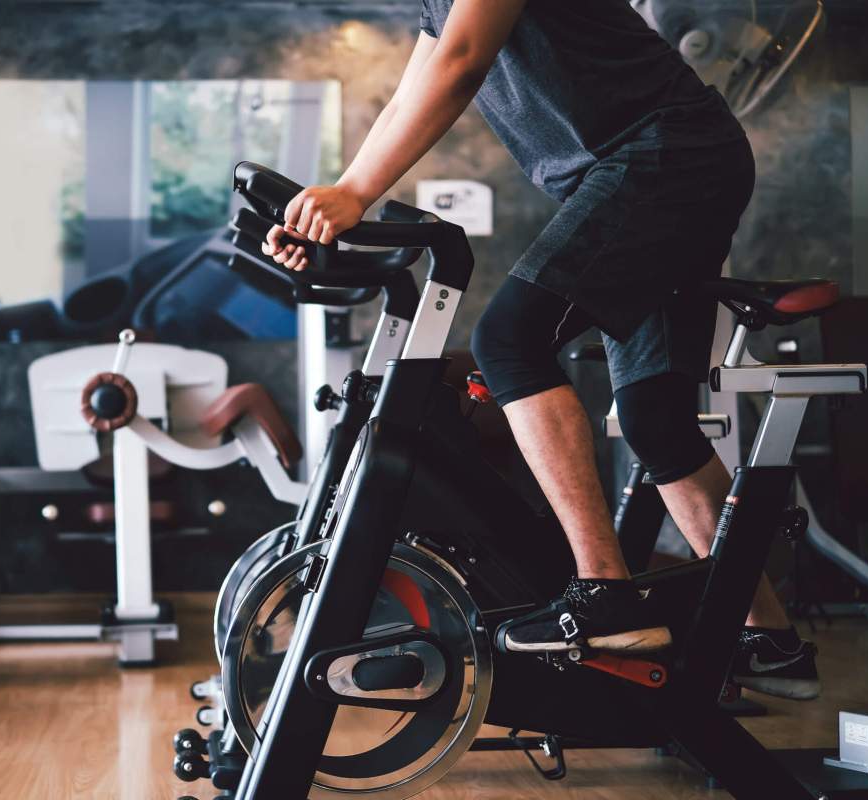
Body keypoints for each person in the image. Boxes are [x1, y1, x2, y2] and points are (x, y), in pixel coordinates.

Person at [261, 0, 819, 700]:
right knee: (655, 418)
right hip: (654, 162)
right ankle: (770, 641)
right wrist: (336, 205)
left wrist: (353, 194)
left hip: (662, 154)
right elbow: (423, 75)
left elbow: (465, 63)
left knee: (509, 342)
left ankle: (604, 596)